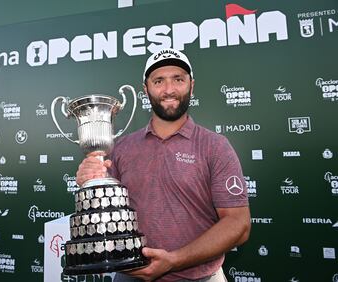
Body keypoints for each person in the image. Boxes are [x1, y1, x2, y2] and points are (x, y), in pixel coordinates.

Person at [75, 48, 251, 282]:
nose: (169, 90)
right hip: (130, 277)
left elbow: (238, 224)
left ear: (192, 85)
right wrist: (91, 182)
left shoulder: (215, 146)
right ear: (145, 89)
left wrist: (174, 260)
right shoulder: (121, 147)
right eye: (159, 81)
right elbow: (104, 216)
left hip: (201, 278)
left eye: (178, 79)